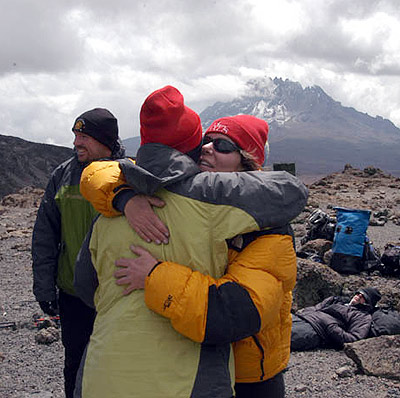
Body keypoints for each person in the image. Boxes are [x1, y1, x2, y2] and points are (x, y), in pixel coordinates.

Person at [74, 86, 308, 398]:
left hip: (251, 375)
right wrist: (124, 196)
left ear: (248, 164)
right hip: (199, 365)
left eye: (223, 145)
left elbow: (235, 312)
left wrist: (156, 276)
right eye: (205, 142)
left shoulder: (268, 227)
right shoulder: (168, 200)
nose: (208, 149)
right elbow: (101, 172)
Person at [31, 108, 125, 398]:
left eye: (83, 136)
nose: (76, 143)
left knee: (120, 366)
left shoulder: (128, 173)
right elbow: (45, 234)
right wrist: (44, 287)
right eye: (75, 136)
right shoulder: (64, 175)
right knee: (75, 364)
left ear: (104, 140)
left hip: (117, 294)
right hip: (72, 293)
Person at [291, 287, 382, 351]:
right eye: (358, 293)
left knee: (283, 338)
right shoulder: (337, 300)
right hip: (303, 318)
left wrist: (330, 326)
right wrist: (304, 312)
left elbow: (354, 339)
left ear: (368, 302)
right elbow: (316, 307)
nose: (358, 296)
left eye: (363, 296)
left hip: (316, 330)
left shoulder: (362, 317)